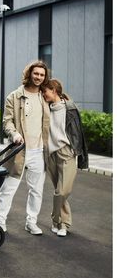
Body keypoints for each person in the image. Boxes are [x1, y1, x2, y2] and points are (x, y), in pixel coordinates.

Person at [0, 60, 50, 234]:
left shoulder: (44, 97)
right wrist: (14, 134)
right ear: (29, 74)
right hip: (19, 151)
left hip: (39, 151)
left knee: (36, 191)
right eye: (36, 74)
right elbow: (7, 121)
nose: (39, 77)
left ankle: (31, 222)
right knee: (8, 189)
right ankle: (0, 221)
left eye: (42, 75)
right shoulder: (14, 96)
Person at [41, 79, 88, 237]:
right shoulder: (46, 108)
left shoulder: (70, 108)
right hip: (51, 154)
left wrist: (78, 152)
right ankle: (60, 224)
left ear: (53, 90)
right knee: (58, 190)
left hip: (67, 151)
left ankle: (57, 219)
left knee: (62, 191)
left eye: (45, 91)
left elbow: (78, 132)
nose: (43, 94)